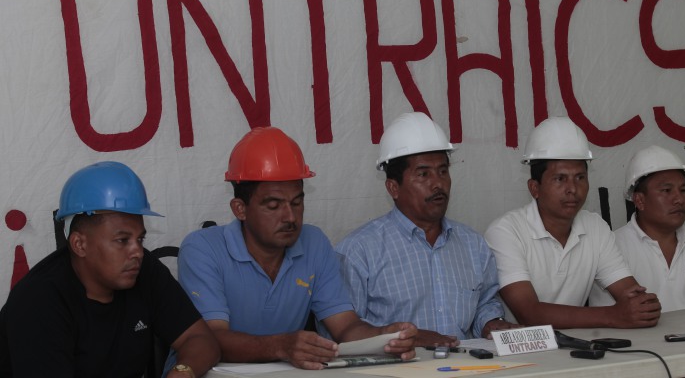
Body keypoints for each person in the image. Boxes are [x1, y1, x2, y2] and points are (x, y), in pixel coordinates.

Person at [172, 127, 417, 371]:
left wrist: (383, 337)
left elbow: (344, 327)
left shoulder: (314, 242)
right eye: (273, 205)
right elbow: (210, 339)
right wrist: (281, 346)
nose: (290, 216)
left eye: (297, 202)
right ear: (240, 209)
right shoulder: (203, 248)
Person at [0, 161, 219, 378]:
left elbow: (200, 339)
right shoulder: (39, 299)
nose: (138, 252)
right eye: (122, 240)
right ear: (79, 244)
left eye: (140, 238)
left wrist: (182, 372)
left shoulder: (145, 269)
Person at [335, 112, 512, 347]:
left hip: (465, 369)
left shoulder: (473, 244)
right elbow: (344, 332)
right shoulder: (359, 251)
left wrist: (491, 323)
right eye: (423, 174)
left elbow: (485, 304)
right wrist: (405, 338)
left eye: (443, 171)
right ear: (393, 187)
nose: (438, 183)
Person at [484, 117, 661, 329]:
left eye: (580, 177)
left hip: (575, 349)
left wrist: (642, 306)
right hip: (518, 355)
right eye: (560, 179)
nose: (572, 189)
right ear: (534, 188)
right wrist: (613, 315)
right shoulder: (505, 231)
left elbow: (629, 292)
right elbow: (529, 314)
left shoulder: (595, 227)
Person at [588, 145, 685, 311]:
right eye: (666, 190)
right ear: (639, 200)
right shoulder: (611, 247)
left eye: (683, 190)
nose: (679, 199)